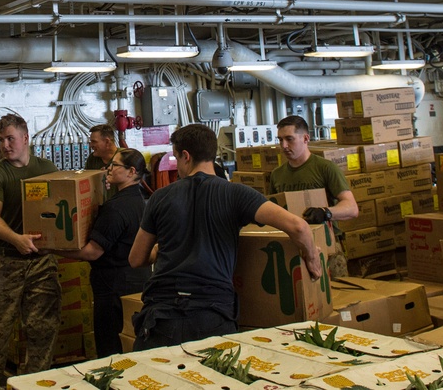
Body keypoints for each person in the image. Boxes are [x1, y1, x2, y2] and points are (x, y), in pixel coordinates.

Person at [128, 123, 321, 350]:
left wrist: (159, 250)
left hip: (161, 316)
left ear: (186, 156)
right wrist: (312, 261)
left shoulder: (160, 197)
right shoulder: (236, 194)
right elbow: (298, 227)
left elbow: (136, 259)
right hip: (212, 314)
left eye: (177, 158)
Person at [0, 114, 60, 390]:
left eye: (10, 138)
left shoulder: (46, 168)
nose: (5, 145)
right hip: (5, 264)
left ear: (26, 138)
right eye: (1, 140)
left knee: (42, 331)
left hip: (42, 262)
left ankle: (33, 385)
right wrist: (16, 239)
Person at [57, 148, 150, 357]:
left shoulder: (116, 208)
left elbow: (92, 252)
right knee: (130, 345)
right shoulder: (140, 201)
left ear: (131, 171)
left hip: (113, 289)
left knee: (111, 349)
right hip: (138, 282)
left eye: (114, 165)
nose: (108, 168)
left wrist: (54, 249)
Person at [271, 115, 359, 277]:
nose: (284, 146)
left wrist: (326, 212)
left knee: (339, 298)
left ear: (305, 138)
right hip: (294, 248)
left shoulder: (325, 168)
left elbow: (352, 208)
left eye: (289, 139)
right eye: (280, 140)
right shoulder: (276, 175)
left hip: (327, 245)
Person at [85, 124, 149, 200]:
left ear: (107, 142)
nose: (90, 145)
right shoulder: (92, 159)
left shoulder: (125, 157)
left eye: (94, 142)